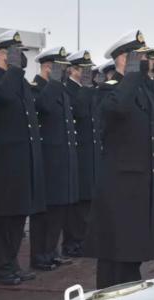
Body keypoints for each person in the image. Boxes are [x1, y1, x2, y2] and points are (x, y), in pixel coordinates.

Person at [83, 30, 154, 289]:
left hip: (139, 181)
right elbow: (117, 108)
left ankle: (128, 287)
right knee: (113, 250)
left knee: (132, 247)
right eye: (137, 56)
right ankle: (107, 295)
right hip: (119, 183)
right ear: (122, 59)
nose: (144, 60)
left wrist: (139, 75)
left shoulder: (140, 88)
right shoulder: (108, 90)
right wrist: (129, 75)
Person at [0, 30, 44, 285]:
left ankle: (11, 264)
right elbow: (2, 97)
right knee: (1, 218)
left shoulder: (18, 81)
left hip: (21, 162)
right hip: (0, 165)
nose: (20, 58)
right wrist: (12, 70)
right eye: (15, 53)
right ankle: (0, 270)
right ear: (1, 54)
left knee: (17, 216)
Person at [30, 46, 78, 270]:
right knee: (45, 213)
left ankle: (52, 252)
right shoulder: (36, 88)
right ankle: (40, 256)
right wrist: (55, 83)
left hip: (62, 160)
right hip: (48, 160)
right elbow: (44, 108)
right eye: (60, 68)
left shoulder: (59, 89)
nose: (65, 73)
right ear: (48, 67)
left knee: (58, 210)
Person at [62, 50, 97, 257]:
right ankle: (72, 242)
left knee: (88, 200)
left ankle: (83, 239)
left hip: (90, 150)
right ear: (72, 70)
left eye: (89, 69)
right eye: (83, 69)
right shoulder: (70, 89)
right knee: (78, 203)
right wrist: (85, 88)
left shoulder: (86, 89)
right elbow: (80, 112)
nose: (88, 73)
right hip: (79, 151)